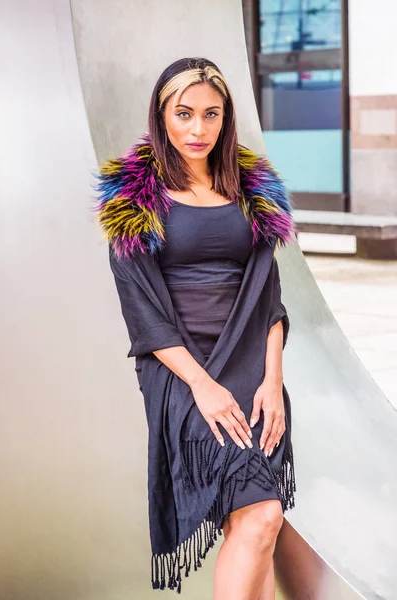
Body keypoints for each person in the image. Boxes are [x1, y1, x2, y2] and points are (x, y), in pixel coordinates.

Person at [93, 57, 297, 598]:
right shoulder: (134, 201)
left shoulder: (252, 192)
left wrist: (272, 380)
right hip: (181, 372)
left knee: (258, 521)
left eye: (211, 114)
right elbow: (145, 316)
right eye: (184, 114)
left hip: (250, 363)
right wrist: (201, 387)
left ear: (226, 118)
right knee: (259, 516)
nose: (198, 129)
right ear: (162, 117)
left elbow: (270, 300)